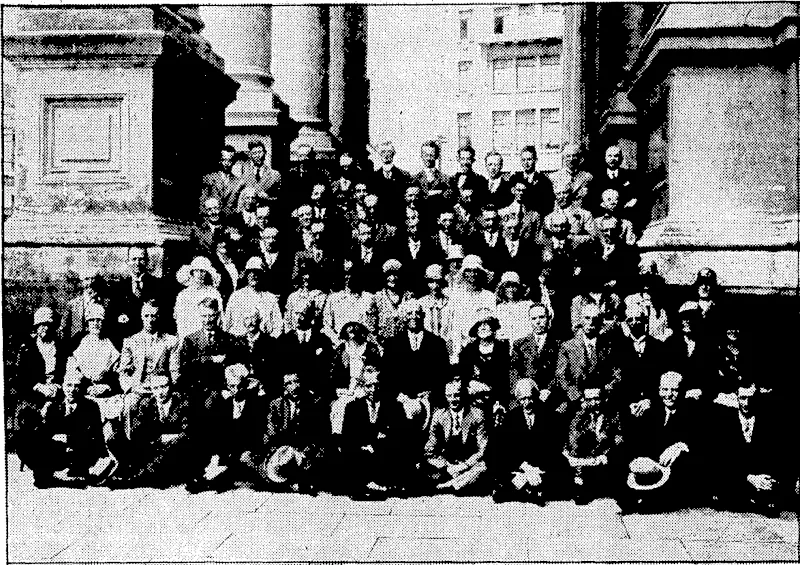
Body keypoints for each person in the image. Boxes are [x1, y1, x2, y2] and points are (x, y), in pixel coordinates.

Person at [622, 371, 702, 513]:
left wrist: (681, 446)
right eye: (665, 389)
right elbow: (638, 442)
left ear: (683, 391)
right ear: (659, 391)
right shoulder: (651, 412)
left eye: (674, 390)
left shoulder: (693, 412)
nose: (669, 394)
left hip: (675, 472)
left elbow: (701, 441)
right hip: (650, 469)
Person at [19, 370, 115, 488]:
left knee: (81, 458)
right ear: (63, 386)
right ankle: (47, 473)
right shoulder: (54, 406)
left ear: (83, 388)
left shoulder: (91, 407)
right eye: (69, 385)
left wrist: (68, 438)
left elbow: (95, 436)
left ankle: (77, 470)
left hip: (80, 450)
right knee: (29, 443)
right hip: (58, 449)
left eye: (77, 386)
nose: (72, 390)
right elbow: (46, 431)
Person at [187, 364, 269, 493]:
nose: (236, 390)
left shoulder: (256, 403)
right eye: (231, 386)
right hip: (226, 449)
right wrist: (217, 455)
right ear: (226, 384)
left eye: (239, 386)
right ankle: (210, 477)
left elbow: (256, 432)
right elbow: (218, 431)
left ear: (245, 385)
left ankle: (213, 478)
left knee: (238, 462)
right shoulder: (223, 403)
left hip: (247, 448)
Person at [708, 384, 788, 516]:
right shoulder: (724, 422)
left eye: (751, 398)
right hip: (736, 479)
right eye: (743, 398)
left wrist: (766, 479)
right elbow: (721, 461)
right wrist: (749, 478)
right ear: (736, 396)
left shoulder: (769, 423)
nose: (747, 403)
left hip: (761, 480)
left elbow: (775, 457)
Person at [492, 379, 566, 504]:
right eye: (522, 399)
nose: (527, 403)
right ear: (518, 399)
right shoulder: (511, 417)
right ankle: (530, 489)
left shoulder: (550, 416)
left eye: (530, 398)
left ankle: (520, 488)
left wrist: (536, 470)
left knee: (561, 469)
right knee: (497, 460)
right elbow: (507, 448)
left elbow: (554, 447)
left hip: (542, 465)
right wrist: (525, 468)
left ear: (536, 397)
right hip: (520, 465)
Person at [381, 299, 451, 425]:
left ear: (423, 316)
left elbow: (444, 374)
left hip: (430, 400)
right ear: (404, 317)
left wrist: (430, 393)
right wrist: (400, 396)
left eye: (417, 313)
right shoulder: (392, 344)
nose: (413, 317)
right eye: (409, 313)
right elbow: (386, 376)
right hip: (400, 401)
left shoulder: (437, 343)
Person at [10, 307, 69, 452]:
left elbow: (67, 372)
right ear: (36, 327)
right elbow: (19, 379)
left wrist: (58, 387)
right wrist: (38, 387)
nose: (45, 328)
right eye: (41, 325)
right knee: (27, 415)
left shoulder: (62, 347)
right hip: (33, 394)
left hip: (57, 393)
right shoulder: (26, 348)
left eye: (48, 325)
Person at [172, 297, 248, 408]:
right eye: (204, 316)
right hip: (196, 394)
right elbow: (185, 369)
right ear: (199, 316)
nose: (208, 320)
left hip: (223, 395)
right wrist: (211, 359)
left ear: (218, 315)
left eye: (211, 315)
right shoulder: (190, 340)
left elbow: (235, 367)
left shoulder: (230, 340)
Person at [121, 373, 192, 488]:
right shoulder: (146, 404)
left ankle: (140, 476)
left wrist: (169, 438)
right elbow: (137, 432)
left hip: (176, 452)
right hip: (153, 449)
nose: (160, 392)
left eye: (164, 386)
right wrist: (159, 438)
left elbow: (188, 432)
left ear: (171, 386)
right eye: (156, 388)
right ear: (151, 389)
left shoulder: (183, 402)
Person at [263, 373, 330, 493]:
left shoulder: (315, 403)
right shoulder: (276, 405)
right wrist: (279, 450)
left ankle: (300, 478)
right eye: (289, 383)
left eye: (296, 381)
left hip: (307, 451)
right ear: (284, 387)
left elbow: (320, 433)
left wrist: (305, 452)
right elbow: (270, 432)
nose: (294, 386)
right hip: (283, 451)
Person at [555, 303, 622, 415]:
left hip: (604, 401)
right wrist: (579, 397)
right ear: (581, 320)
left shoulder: (609, 346)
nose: (591, 322)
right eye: (587, 318)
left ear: (601, 321)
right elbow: (561, 376)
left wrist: (601, 393)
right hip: (576, 403)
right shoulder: (567, 347)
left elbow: (617, 375)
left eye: (595, 319)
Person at [424, 380, 489, 494]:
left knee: (483, 467)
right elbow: (430, 449)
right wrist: (447, 466)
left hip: (468, 465)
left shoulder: (477, 415)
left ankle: (450, 485)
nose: (453, 399)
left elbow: (482, 449)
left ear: (463, 395)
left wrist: (464, 466)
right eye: (449, 396)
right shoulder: (438, 416)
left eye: (457, 395)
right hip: (446, 466)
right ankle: (460, 483)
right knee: (423, 466)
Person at [563, 387, 623, 504]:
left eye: (596, 399)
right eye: (589, 400)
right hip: (583, 462)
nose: (593, 403)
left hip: (604, 462)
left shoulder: (613, 416)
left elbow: (619, 440)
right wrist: (570, 456)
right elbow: (571, 441)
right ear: (584, 401)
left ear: (603, 399)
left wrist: (606, 456)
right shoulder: (578, 417)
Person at [275, 299, 334, 402]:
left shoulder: (323, 340)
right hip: (290, 394)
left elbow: (327, 369)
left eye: (302, 314)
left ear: (311, 315)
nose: (298, 318)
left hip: (316, 395)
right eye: (296, 313)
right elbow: (278, 368)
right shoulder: (283, 340)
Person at [442, 254, 497, 363]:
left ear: (480, 273)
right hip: (459, 345)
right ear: (463, 273)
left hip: (482, 346)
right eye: (468, 271)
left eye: (475, 271)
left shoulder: (489, 296)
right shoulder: (456, 296)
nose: (472, 274)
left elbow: (493, 324)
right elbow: (450, 325)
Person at [616, 303, 668, 417]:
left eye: (638, 319)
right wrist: (629, 403)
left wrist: (650, 400)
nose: (634, 323)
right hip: (627, 411)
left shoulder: (659, 348)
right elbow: (618, 383)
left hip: (655, 409)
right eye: (630, 320)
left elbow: (664, 380)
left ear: (645, 320)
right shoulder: (619, 350)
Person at [112, 246, 172, 340]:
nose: (137, 263)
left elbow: (166, 314)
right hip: (126, 339)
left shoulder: (159, 285)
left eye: (141, 259)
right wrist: (119, 317)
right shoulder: (118, 287)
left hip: (152, 341)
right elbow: (112, 314)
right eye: (134, 259)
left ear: (147, 261)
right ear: (128, 261)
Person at [458, 309, 511, 414]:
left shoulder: (503, 349)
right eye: (479, 324)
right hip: (473, 400)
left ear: (493, 326)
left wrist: (494, 395)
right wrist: (471, 383)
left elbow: (505, 379)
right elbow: (463, 376)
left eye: (486, 323)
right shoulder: (468, 350)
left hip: (497, 399)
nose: (483, 327)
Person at [509, 303, 560, 410]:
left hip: (550, 394)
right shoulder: (519, 344)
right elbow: (514, 371)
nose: (538, 322)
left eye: (541, 317)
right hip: (525, 395)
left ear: (548, 318)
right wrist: (523, 390)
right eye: (534, 318)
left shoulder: (559, 344)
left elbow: (560, 372)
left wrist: (549, 389)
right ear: (529, 320)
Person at [321, 259, 378, 346]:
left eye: (352, 272)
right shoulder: (333, 299)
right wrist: (338, 342)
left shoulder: (368, 298)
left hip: (363, 347)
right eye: (346, 273)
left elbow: (372, 328)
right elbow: (327, 326)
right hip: (340, 347)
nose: (349, 277)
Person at [223, 256, 282, 339]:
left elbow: (278, 326)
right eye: (250, 272)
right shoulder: (236, 296)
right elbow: (227, 325)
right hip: (239, 342)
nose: (253, 275)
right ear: (246, 275)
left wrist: (269, 341)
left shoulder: (270, 298)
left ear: (262, 274)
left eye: (257, 272)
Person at [59, 269, 111, 349]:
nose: (90, 283)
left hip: (100, 348)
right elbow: (64, 329)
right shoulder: (72, 304)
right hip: (76, 347)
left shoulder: (107, 304)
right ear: (81, 282)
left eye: (93, 279)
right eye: (87, 279)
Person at [374, 259, 415, 345]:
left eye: (396, 274)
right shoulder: (377, 298)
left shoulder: (409, 297)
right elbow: (372, 327)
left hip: (405, 345)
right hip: (383, 344)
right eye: (389, 274)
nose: (392, 278)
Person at [371, 141, 411, 225]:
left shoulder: (403, 176)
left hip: (399, 221)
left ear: (393, 153)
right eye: (383, 152)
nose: (386, 155)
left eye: (389, 152)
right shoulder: (373, 178)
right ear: (379, 154)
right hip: (379, 222)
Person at [507, 145, 554, 217]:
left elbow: (549, 204)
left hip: (538, 218)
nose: (526, 163)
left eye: (529, 159)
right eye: (523, 160)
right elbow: (508, 200)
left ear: (535, 160)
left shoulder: (544, 181)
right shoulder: (515, 179)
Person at [251, 226, 294, 301]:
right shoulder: (257, 257)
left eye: (274, 238)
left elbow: (291, 280)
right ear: (263, 239)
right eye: (267, 238)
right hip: (261, 300)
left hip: (282, 298)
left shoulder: (287, 258)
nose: (271, 241)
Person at [495, 271, 535, 348]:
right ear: (503, 289)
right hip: (505, 346)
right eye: (507, 286)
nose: (511, 290)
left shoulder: (528, 305)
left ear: (519, 288)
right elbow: (498, 330)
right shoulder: (500, 308)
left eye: (514, 286)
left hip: (525, 346)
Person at [238, 140, 282, 207]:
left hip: (266, 210)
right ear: (250, 155)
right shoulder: (244, 174)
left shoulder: (275, 175)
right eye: (254, 153)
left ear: (265, 153)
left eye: (259, 152)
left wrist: (268, 198)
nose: (257, 156)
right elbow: (239, 196)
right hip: (249, 211)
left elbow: (281, 198)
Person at [550, 143, 594, 210]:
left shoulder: (587, 177)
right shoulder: (554, 177)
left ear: (580, 158)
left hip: (581, 213)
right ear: (564, 158)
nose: (571, 159)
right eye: (568, 156)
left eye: (574, 156)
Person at [201, 145, 241, 214]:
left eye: (230, 160)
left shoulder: (238, 182)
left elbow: (238, 206)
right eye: (224, 160)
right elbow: (202, 202)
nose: (226, 163)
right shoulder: (209, 179)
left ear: (234, 162)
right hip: (212, 216)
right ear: (220, 160)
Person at [418, 264, 449, 340]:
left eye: (438, 281)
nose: (435, 286)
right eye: (431, 281)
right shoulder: (421, 303)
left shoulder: (449, 303)